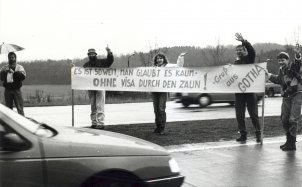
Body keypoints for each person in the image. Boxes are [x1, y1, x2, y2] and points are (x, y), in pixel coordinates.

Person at [267, 48, 302, 151]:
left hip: (297, 94)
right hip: (287, 95)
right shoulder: (281, 70)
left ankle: (292, 143)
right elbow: (279, 80)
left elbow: (298, 64)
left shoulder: (293, 67)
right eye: (279, 60)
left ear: (288, 60)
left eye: (283, 60)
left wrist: (298, 56)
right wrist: (268, 75)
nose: (281, 62)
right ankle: (288, 140)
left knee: (293, 119)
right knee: (284, 119)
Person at [233, 33, 261, 143]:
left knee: (253, 114)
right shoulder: (235, 63)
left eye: (241, 50)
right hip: (239, 92)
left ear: (245, 51)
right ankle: (243, 134)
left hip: (249, 91)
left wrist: (243, 41)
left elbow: (252, 51)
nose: (239, 51)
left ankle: (258, 133)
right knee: (239, 115)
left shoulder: (249, 59)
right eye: (237, 50)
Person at [152, 53, 184, 135]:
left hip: (163, 91)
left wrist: (180, 57)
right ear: (156, 60)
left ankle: (162, 128)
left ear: (163, 59)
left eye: (161, 58)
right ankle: (158, 127)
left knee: (161, 109)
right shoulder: (153, 68)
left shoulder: (168, 66)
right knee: (156, 110)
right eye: (158, 58)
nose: (159, 60)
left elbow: (178, 66)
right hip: (155, 91)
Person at [83, 47, 114, 129]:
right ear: (88, 55)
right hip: (90, 87)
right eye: (90, 54)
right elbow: (80, 74)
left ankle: (101, 122)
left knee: (100, 105)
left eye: (93, 54)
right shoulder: (86, 65)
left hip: (100, 86)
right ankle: (94, 122)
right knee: (93, 105)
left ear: (95, 54)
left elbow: (110, 61)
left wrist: (109, 52)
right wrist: (74, 69)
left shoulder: (101, 62)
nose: (92, 55)